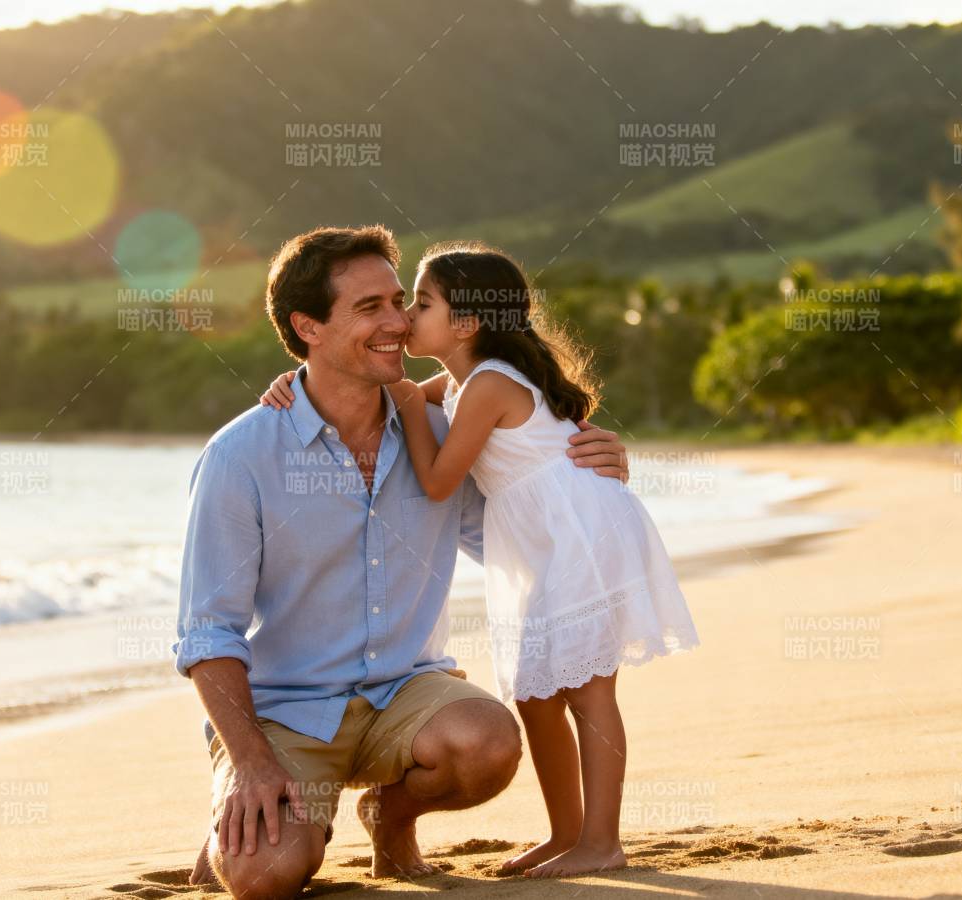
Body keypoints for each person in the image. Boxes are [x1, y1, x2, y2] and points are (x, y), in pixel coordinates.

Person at [177, 225, 631, 899]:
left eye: (402, 301)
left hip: (407, 694)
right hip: (286, 713)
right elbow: (208, 632)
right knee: (264, 876)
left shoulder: (447, 430)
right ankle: (251, 811)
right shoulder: (241, 456)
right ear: (308, 326)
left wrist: (598, 471)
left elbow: (521, 527)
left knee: (489, 742)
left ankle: (390, 816)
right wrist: (248, 764)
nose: (397, 323)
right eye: (371, 309)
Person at [259, 241, 697, 878]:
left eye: (421, 302)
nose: (406, 315)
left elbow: (436, 478)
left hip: (577, 540)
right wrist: (294, 384)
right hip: (541, 545)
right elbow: (387, 391)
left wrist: (409, 404)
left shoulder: (489, 381)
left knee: (588, 695)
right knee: (536, 694)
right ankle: (565, 832)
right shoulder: (466, 379)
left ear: (466, 324)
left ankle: (603, 840)